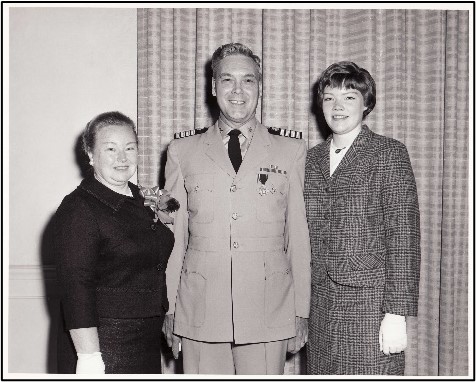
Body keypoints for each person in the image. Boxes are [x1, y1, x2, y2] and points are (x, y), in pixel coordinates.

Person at [162, 42, 312, 375]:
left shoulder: (290, 150)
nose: (238, 90)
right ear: (213, 87)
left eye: (248, 80)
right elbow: (173, 238)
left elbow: (297, 237)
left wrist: (301, 310)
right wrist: (170, 308)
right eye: (227, 79)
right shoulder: (182, 151)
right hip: (200, 309)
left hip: (268, 308)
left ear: (259, 86)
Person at [304, 62, 421, 375]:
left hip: (370, 308)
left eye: (349, 97)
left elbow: (404, 236)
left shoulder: (388, 153)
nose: (338, 107)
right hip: (319, 306)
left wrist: (396, 313)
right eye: (329, 98)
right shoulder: (310, 159)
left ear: (367, 103)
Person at [53, 111, 177, 374]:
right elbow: (76, 288)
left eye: (130, 148)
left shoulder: (141, 197)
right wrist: (89, 358)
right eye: (111, 149)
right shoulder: (78, 208)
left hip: (145, 338)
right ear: (90, 153)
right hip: (104, 343)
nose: (122, 158)